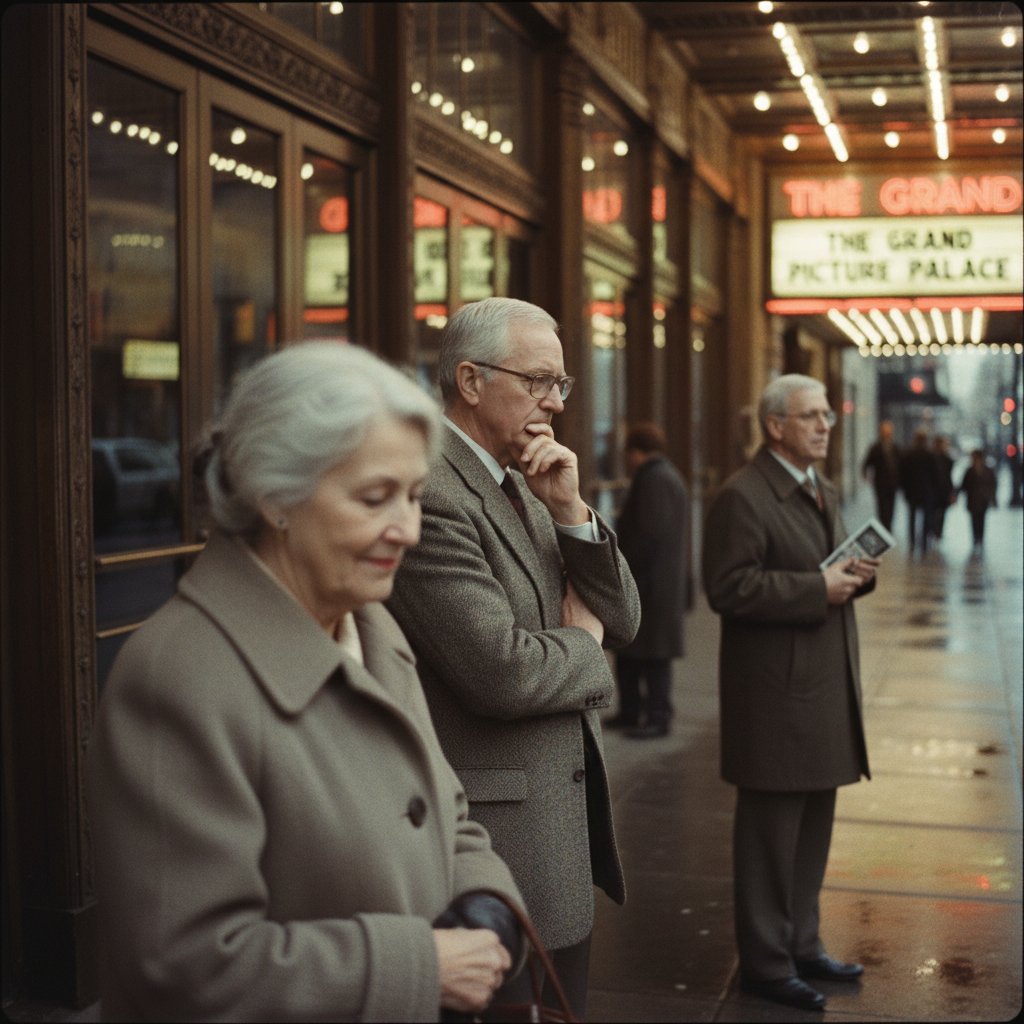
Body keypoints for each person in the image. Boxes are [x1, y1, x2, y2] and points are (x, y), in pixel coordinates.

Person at [87, 342, 525, 1023]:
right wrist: (420, 966)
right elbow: (186, 968)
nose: (407, 529)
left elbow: (448, 814)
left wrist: (487, 909)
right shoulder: (178, 678)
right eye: (375, 497)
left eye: (414, 494)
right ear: (274, 495)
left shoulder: (372, 629)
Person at [387, 297, 641, 1020]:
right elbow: (501, 670)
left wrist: (569, 511)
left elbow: (624, 616)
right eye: (536, 381)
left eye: (561, 385)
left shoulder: (527, 479)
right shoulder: (434, 493)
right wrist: (582, 643)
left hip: (553, 829)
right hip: (498, 839)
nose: (554, 403)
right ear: (470, 381)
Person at [702, 374, 879, 1013]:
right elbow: (726, 587)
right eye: (811, 416)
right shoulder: (743, 496)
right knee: (770, 841)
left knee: (811, 834)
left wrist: (851, 578)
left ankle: (803, 944)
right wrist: (815, 588)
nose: (826, 425)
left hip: (822, 688)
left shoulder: (820, 487)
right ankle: (767, 964)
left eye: (828, 415)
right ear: (775, 425)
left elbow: (819, 570)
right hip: (775, 696)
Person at [608, 422, 689, 739]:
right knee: (634, 652)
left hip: (650, 585)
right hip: (656, 583)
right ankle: (633, 711)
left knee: (653, 655)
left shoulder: (654, 480)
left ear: (635, 452)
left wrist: (625, 572)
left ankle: (657, 715)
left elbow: (648, 535)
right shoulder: (666, 476)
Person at [899, 428, 938, 554]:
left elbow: (903, 474)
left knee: (912, 518)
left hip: (912, 492)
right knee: (925, 519)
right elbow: (935, 475)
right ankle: (924, 544)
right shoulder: (929, 455)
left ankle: (912, 542)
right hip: (926, 492)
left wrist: (904, 489)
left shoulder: (909, 454)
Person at [860, 419, 900, 532]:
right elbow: (867, 462)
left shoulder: (895, 447)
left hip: (893, 483)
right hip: (880, 483)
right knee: (882, 506)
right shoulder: (875, 448)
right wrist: (865, 474)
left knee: (891, 506)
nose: (887, 433)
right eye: (885, 431)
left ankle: (889, 527)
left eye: (889, 431)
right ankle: (883, 527)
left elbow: (901, 465)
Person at [959, 448, 998, 550]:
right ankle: (975, 539)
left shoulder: (988, 470)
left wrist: (993, 498)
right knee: (973, 520)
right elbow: (963, 485)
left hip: (983, 500)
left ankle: (980, 538)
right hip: (972, 499)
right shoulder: (969, 471)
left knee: (982, 519)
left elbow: (993, 485)